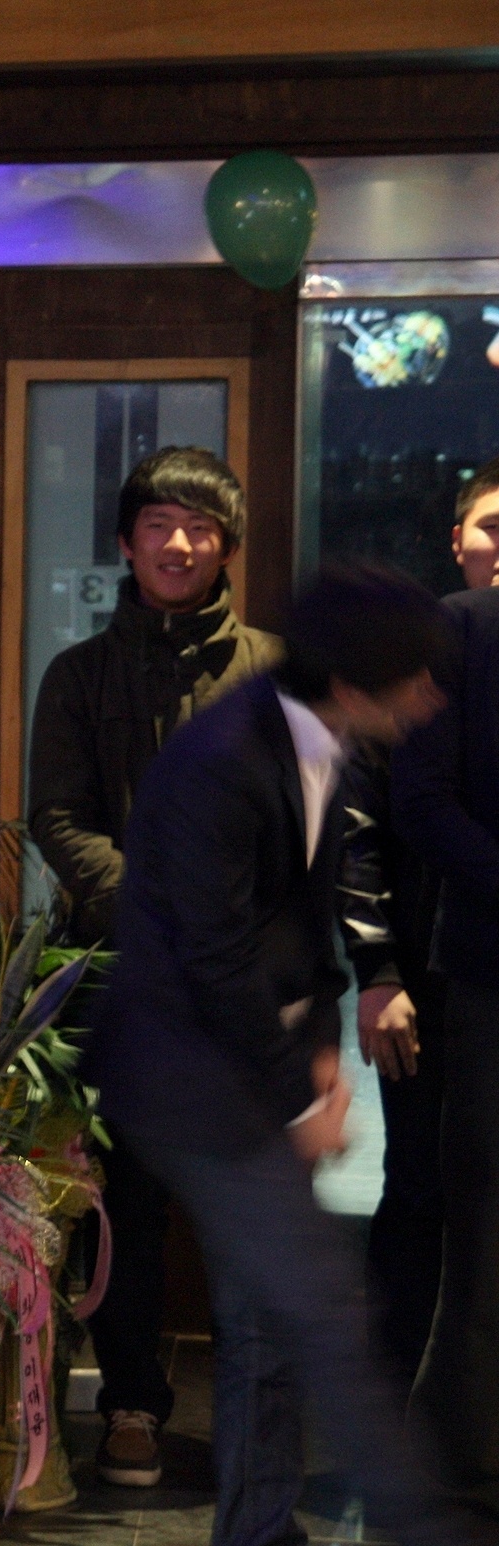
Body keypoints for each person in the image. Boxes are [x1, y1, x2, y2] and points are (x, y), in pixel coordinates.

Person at [86, 562, 458, 1546]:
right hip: (186, 1072)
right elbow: (215, 957)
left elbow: (297, 914)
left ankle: (258, 1530)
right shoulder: (224, 758)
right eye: (415, 678)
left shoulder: (314, 734)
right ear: (352, 684)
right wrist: (300, 1096)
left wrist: (321, 1043)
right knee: (321, 1318)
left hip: (246, 1057)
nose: (429, 696)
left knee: (281, 1324)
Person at [26, 446, 279, 1487]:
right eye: (159, 524)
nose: (179, 544)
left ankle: (258, 1423)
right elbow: (58, 819)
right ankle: (130, 1402)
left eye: (200, 526)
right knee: (123, 1201)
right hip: (121, 975)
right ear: (127, 543)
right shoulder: (79, 676)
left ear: (227, 546)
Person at [339, 461, 499, 1386]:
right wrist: (379, 973)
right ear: (457, 541)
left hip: (484, 966)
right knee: (419, 1187)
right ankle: (391, 1403)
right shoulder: (411, 661)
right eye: (492, 528)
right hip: (422, 974)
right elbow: (358, 828)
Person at [394, 467, 499, 1518]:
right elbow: (418, 802)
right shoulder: (460, 627)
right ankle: (462, 1453)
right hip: (484, 966)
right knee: (481, 1218)